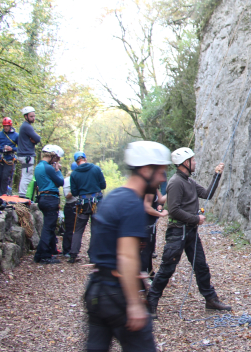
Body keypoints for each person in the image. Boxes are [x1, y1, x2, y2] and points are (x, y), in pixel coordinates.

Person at [85, 141, 170, 351]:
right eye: (160, 172)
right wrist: (133, 303)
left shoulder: (113, 196)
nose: (162, 178)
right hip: (117, 295)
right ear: (146, 170)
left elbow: (105, 247)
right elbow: (127, 256)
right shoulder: (132, 203)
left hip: (96, 291)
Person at [146, 147, 230, 317]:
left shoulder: (189, 182)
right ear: (185, 163)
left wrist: (217, 175)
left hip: (190, 232)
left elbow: (207, 194)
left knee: (201, 266)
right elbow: (174, 210)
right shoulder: (176, 182)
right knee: (166, 269)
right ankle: (150, 303)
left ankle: (210, 299)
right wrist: (195, 219)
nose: (195, 162)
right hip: (177, 233)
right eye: (192, 160)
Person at [69, 151, 107, 263]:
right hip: (97, 203)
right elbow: (103, 185)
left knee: (78, 230)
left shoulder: (74, 174)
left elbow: (74, 192)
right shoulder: (95, 169)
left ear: (76, 161)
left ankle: (73, 254)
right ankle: (93, 256)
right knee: (95, 229)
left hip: (82, 204)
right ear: (85, 158)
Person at [33, 145, 65, 264]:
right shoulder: (48, 168)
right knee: (48, 227)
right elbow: (61, 182)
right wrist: (58, 170)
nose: (57, 162)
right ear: (52, 156)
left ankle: (51, 249)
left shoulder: (38, 167)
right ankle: (43, 255)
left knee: (49, 226)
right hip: (50, 198)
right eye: (56, 159)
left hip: (42, 197)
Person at [141, 181, 167, 280]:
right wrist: (160, 214)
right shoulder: (149, 187)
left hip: (151, 225)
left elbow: (161, 199)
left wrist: (175, 189)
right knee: (145, 252)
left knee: (149, 250)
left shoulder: (154, 187)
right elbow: (146, 207)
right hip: (145, 225)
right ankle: (143, 281)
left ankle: (150, 274)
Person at [17, 106, 41, 198]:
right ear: (26, 116)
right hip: (27, 156)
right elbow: (37, 138)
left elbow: (35, 139)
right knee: (27, 176)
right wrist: (34, 140)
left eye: (34, 116)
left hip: (25, 155)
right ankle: (22, 195)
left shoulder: (25, 126)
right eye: (31, 116)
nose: (33, 118)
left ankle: (23, 194)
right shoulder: (27, 126)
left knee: (26, 175)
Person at [0, 117, 19, 195]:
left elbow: (20, 148)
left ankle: (3, 194)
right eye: (4, 126)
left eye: (7, 126)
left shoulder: (16, 135)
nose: (6, 127)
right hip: (0, 157)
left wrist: (12, 148)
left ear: (10, 126)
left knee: (5, 177)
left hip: (10, 159)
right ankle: (0, 191)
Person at [62, 162, 79, 257]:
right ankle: (67, 250)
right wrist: (76, 190)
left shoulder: (77, 179)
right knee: (69, 229)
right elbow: (67, 196)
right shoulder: (68, 180)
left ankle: (73, 249)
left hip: (77, 205)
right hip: (70, 206)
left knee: (76, 229)